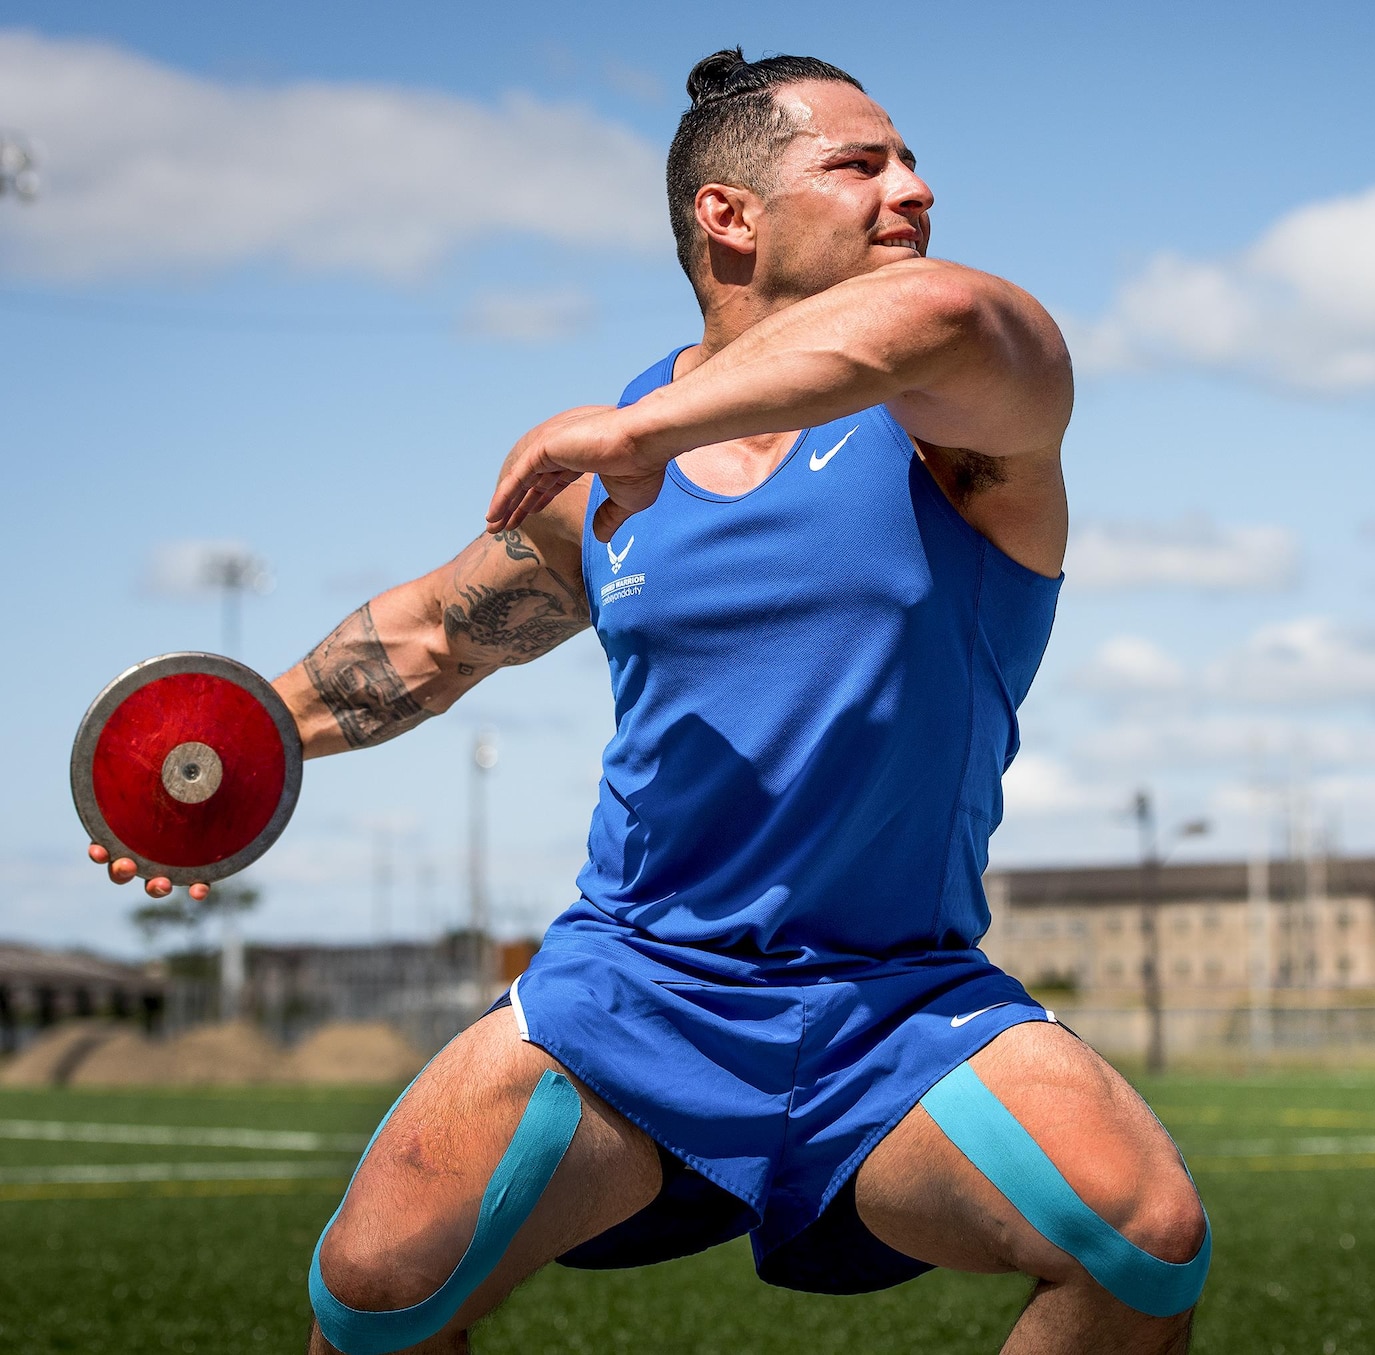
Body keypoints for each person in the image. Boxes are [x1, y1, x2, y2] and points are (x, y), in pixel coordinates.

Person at [89, 48, 1208, 1355]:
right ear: (726, 216)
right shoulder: (607, 479)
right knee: (379, 1284)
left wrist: (647, 436)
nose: (913, 189)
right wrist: (218, 755)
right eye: (861, 165)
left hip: (892, 1003)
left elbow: (947, 318)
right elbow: (438, 633)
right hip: (636, 988)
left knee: (1136, 1237)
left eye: (907, 161)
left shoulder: (956, 423)